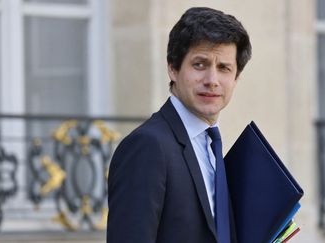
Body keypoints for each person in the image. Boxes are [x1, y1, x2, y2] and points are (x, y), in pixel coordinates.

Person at [107, 7, 251, 243]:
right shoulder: (147, 146)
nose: (212, 81)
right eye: (200, 65)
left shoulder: (212, 147)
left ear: (236, 78)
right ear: (173, 68)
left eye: (224, 68)